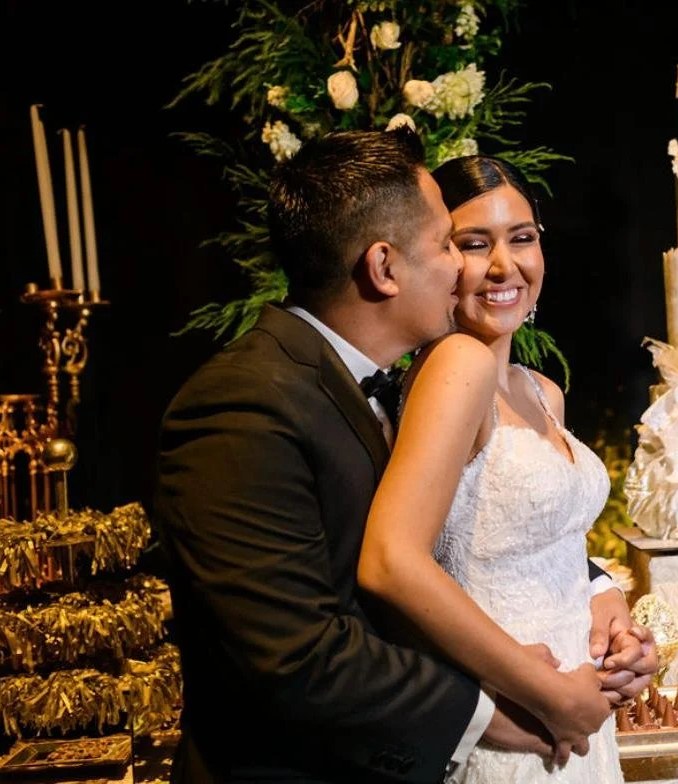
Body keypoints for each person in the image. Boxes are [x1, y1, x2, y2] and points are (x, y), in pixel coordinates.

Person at [153, 131, 649, 784]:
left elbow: (473, 521)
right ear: (385, 267)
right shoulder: (242, 404)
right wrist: (516, 707)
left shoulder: (371, 381)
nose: (468, 267)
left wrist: (595, 588)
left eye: (523, 237)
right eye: (454, 244)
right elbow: (302, 658)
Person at [357, 155, 644, 783]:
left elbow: (548, 548)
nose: (503, 266)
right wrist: (537, 687)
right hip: (515, 726)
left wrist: (608, 611)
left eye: (522, 238)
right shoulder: (457, 366)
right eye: (473, 244)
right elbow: (393, 564)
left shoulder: (539, 390)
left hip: (575, 716)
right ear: (437, 259)